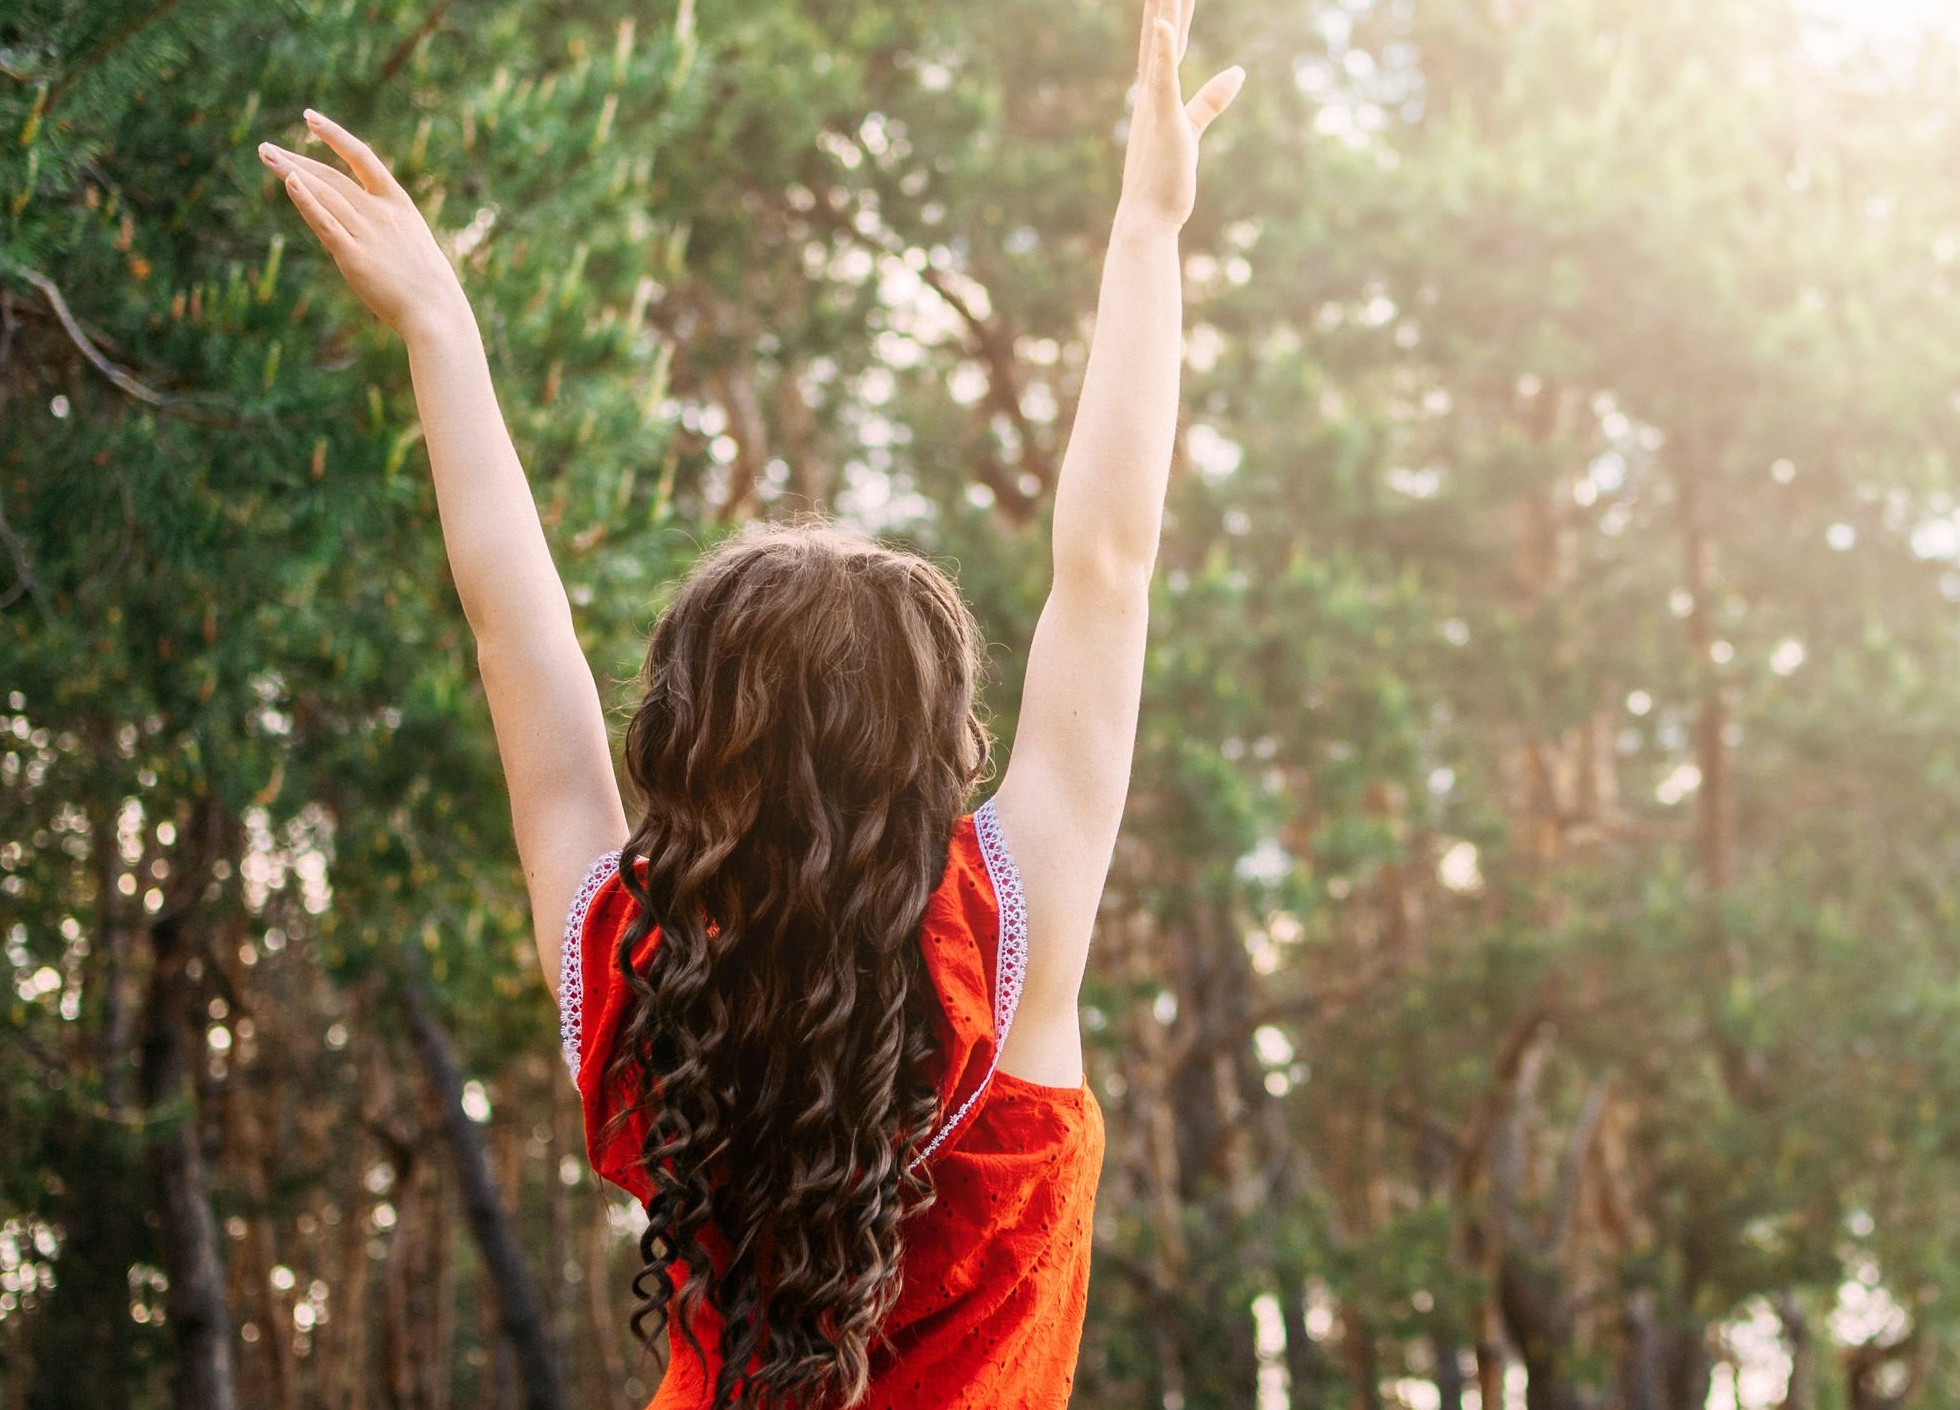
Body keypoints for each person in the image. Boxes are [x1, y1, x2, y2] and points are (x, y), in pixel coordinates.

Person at [258, 0, 1244, 1402]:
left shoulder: (639, 996)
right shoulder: (1011, 939)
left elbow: (517, 640)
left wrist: (439, 323)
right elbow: (1108, 564)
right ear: (926, 745)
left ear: (684, 739)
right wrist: (1148, 232)